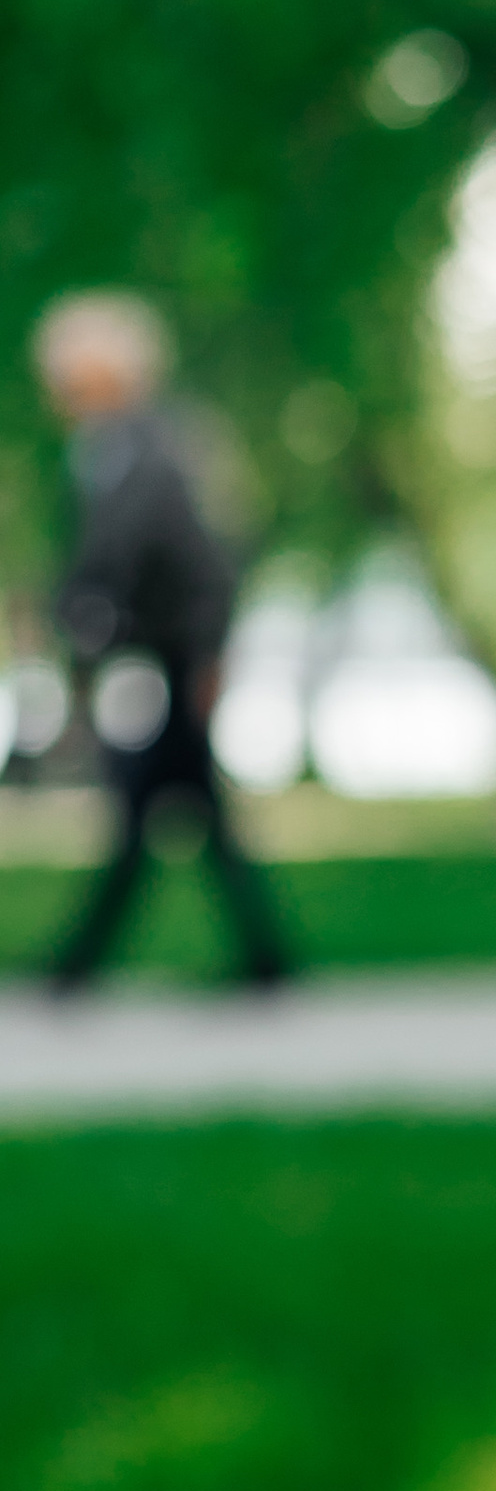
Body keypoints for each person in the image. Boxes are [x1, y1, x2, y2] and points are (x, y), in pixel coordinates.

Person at [35, 290, 290, 992]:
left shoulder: (155, 449)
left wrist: (209, 654)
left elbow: (204, 561)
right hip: (147, 660)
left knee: (151, 811)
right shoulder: (105, 451)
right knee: (180, 810)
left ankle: (77, 966)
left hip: (172, 658)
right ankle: (263, 961)